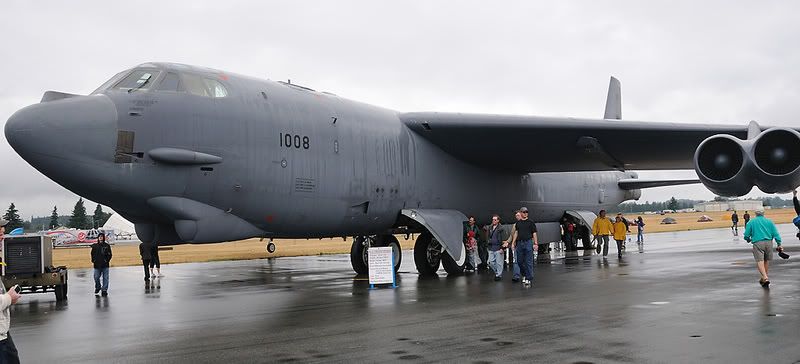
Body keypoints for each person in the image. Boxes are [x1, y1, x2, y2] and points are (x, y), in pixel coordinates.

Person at [743, 210, 783, 287]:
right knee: (766, 260)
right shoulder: (769, 221)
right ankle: (763, 278)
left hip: (758, 243)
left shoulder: (751, 222)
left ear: (755, 213)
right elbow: (776, 233)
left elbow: (746, 234)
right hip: (768, 242)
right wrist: (779, 243)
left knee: (759, 260)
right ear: (763, 213)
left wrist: (748, 239)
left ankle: (765, 277)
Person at [511, 207, 537, 287]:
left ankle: (528, 278)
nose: (525, 213)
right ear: (521, 213)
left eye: (526, 212)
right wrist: (513, 242)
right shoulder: (518, 223)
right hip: (520, 243)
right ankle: (525, 274)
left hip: (528, 242)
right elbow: (516, 232)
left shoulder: (531, 222)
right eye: (524, 212)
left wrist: (535, 243)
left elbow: (534, 233)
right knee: (519, 261)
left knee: (528, 261)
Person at [503, 211, 523, 281]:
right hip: (517, 244)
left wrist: (533, 244)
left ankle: (526, 275)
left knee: (525, 261)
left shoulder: (527, 223)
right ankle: (516, 276)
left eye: (518, 215)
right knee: (516, 261)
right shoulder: (515, 225)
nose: (516, 217)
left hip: (525, 244)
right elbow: (512, 235)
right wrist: (508, 242)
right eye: (516, 216)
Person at [486, 214, 506, 281]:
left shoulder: (501, 228)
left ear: (498, 220)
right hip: (491, 247)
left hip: (498, 247)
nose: (493, 221)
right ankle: (497, 272)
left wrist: (503, 248)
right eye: (493, 219)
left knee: (499, 262)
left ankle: (498, 275)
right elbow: (488, 236)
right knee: (490, 262)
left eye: (495, 220)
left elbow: (504, 239)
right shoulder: (490, 228)